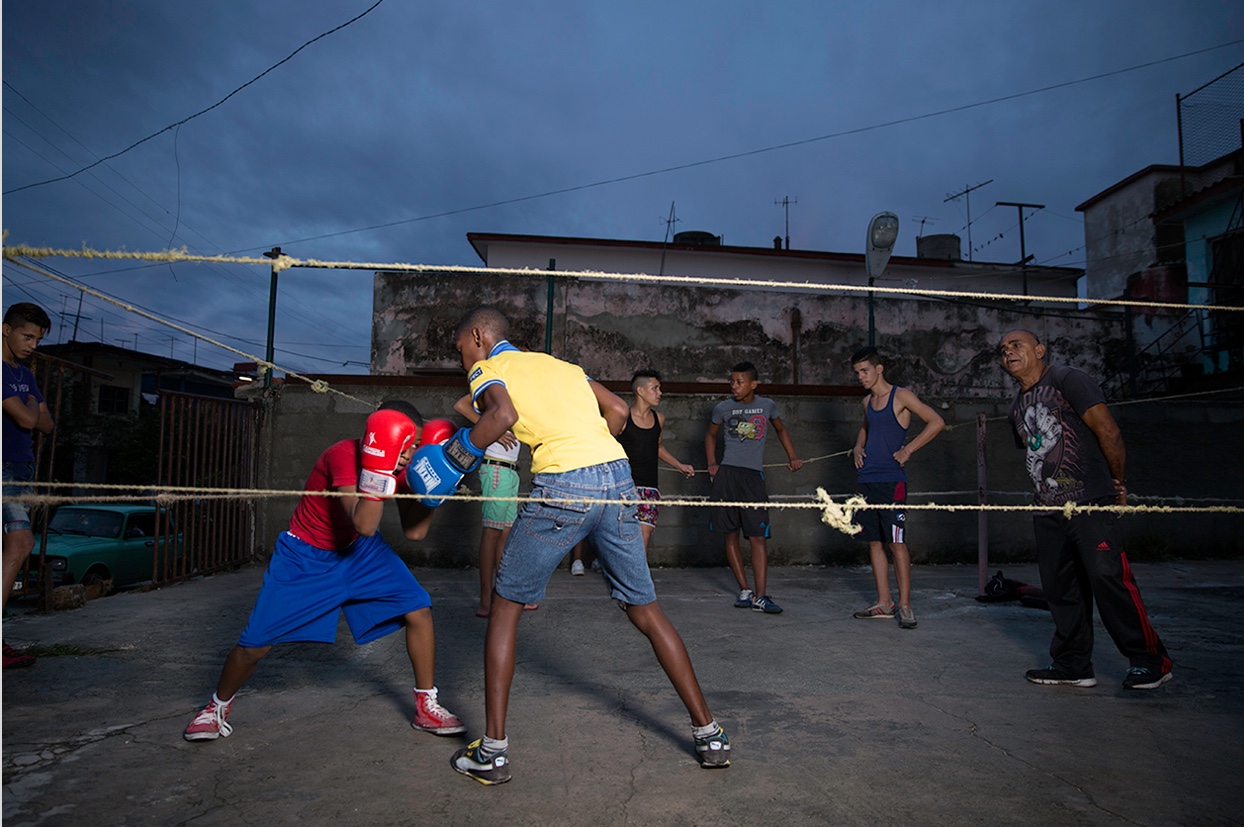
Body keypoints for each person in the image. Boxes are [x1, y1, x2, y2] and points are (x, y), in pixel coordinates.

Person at [411, 305, 728, 784]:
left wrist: (454, 459)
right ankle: (711, 735)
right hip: (618, 478)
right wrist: (595, 455)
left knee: (505, 606)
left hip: (564, 484)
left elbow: (502, 414)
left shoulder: (489, 367)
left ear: (478, 336)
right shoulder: (561, 365)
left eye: (460, 350)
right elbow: (618, 411)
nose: (462, 361)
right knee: (646, 609)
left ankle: (492, 753)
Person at [183, 401, 466, 741]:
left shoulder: (403, 468)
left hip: (359, 553)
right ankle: (215, 708)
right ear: (380, 435)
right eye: (404, 443)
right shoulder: (342, 455)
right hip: (306, 555)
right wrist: (378, 474)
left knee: (418, 608)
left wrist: (431, 494)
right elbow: (362, 522)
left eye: (415, 445)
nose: (408, 453)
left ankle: (426, 705)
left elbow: (415, 532)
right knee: (255, 644)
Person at [999, 329, 1173, 691]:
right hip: (1048, 509)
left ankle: (1150, 660)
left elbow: (1107, 431)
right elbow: (1036, 453)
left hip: (1090, 501)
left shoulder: (1067, 378)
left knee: (1109, 579)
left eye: (1016, 345)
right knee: (1062, 589)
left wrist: (1117, 482)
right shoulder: (1017, 405)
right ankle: (1072, 665)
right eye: (1003, 350)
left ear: (1040, 350)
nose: (1008, 352)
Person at [848, 347, 944, 629]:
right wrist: (858, 445)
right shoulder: (867, 402)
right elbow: (867, 427)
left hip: (892, 481)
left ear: (879, 369)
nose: (860, 377)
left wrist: (909, 449)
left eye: (864, 371)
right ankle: (884, 602)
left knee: (896, 542)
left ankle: (905, 605)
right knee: (874, 541)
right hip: (867, 480)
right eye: (857, 373)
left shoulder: (900, 396)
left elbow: (937, 421)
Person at [704, 361, 802, 614]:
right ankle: (744, 589)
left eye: (740, 382)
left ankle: (761, 595)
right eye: (732, 382)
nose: (734, 386)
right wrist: (712, 463)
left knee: (758, 537)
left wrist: (792, 456)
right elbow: (710, 435)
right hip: (727, 476)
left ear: (753, 384)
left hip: (752, 478)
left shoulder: (767, 406)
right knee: (730, 534)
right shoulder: (723, 408)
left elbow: (781, 430)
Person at [2, 303, 55, 670]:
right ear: (5, 329)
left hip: (22, 468)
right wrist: (32, 405)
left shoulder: (25, 374)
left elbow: (48, 425)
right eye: (27, 336)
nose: (32, 344)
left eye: (37, 339)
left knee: (15, 546)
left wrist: (31, 404)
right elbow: (27, 417)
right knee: (21, 544)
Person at [451, 396, 537, 614]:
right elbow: (461, 405)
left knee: (505, 534)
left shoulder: (515, 389)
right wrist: (494, 431)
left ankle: (504, 595)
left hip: (510, 472)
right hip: (496, 470)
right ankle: (486, 601)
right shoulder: (493, 384)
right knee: (492, 533)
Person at [616, 369, 695, 554]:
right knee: (624, 535)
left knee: (645, 534)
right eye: (655, 388)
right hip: (624, 487)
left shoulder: (659, 419)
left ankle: (636, 579)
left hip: (650, 488)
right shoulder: (622, 418)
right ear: (641, 391)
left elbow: (658, 447)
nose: (660, 393)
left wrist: (679, 465)